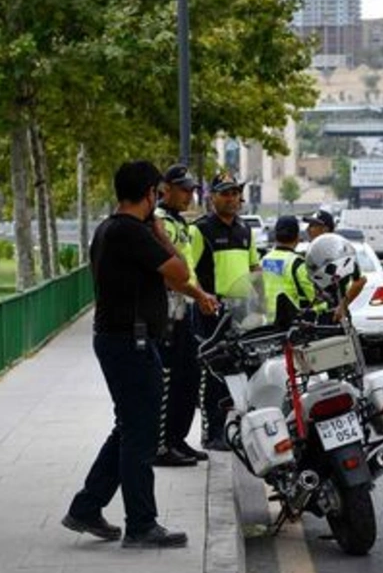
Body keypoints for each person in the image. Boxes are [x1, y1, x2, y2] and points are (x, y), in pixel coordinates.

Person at [63, 160, 218, 549]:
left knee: (128, 428)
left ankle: (86, 508)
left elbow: (169, 281)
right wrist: (162, 235)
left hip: (121, 340)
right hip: (129, 343)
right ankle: (141, 524)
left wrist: (199, 297)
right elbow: (179, 270)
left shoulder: (110, 229)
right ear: (150, 193)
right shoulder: (133, 232)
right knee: (140, 434)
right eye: (158, 194)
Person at [190, 169, 261, 451]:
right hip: (212, 311)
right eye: (226, 193)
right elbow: (188, 269)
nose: (233, 198)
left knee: (242, 371)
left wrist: (258, 307)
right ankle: (212, 432)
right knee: (213, 374)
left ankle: (238, 427)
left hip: (242, 310)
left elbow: (254, 267)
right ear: (212, 198)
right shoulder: (201, 230)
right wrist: (201, 297)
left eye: (235, 193)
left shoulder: (245, 229)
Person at [152, 163, 212, 468]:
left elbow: (189, 266)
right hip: (167, 312)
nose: (189, 195)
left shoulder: (182, 223)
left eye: (192, 190)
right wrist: (198, 294)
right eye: (184, 189)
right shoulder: (159, 221)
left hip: (185, 307)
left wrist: (201, 294)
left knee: (189, 376)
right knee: (168, 380)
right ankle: (161, 445)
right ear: (166, 189)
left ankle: (177, 438)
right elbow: (168, 273)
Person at [303, 208, 366, 321]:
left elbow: (360, 280)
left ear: (325, 229)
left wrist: (342, 306)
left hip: (333, 316)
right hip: (312, 317)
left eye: (312, 226)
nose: (308, 229)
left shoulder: (339, 251)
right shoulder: (311, 252)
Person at [261, 215, 317, 325]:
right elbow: (314, 297)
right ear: (297, 237)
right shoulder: (297, 263)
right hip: (289, 327)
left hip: (265, 326)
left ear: (276, 236)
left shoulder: (263, 260)